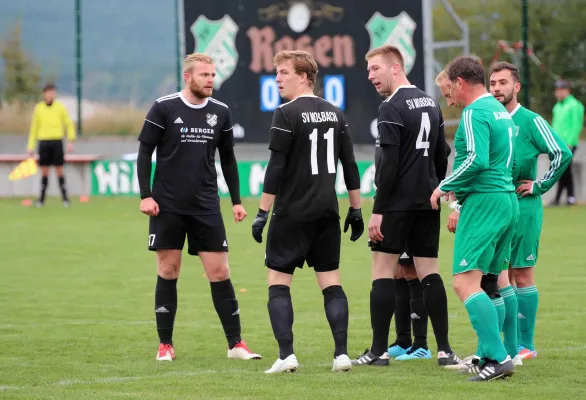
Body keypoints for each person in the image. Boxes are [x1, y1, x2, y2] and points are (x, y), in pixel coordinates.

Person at [136, 53, 261, 362]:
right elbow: (144, 151)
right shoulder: (164, 107)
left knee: (220, 271)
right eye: (204, 75)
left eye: (213, 75)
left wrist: (236, 201)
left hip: (206, 205)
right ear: (188, 77)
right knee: (168, 269)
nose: (210, 80)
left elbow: (228, 159)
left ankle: (236, 345)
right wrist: (146, 195)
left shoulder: (221, 112)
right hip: (167, 206)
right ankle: (165, 345)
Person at [250, 50, 364, 374]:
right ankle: (341, 354)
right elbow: (350, 166)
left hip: (292, 213)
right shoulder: (336, 113)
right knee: (331, 282)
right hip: (328, 213)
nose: (277, 79)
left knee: (278, 282)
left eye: (283, 72)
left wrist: (262, 212)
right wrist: (356, 210)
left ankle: (286, 354)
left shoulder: (285, 113)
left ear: (303, 77)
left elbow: (275, 167)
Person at [352, 45, 459, 368]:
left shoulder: (391, 106)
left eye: (375, 69)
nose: (370, 76)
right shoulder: (430, 102)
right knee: (429, 273)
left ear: (395, 68)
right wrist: (436, 187)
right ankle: (445, 351)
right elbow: (443, 155)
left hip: (396, 205)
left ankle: (377, 352)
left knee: (382, 272)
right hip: (428, 202)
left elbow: (390, 162)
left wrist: (378, 209)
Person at [430, 56, 519, 381]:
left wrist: (445, 187)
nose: (448, 96)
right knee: (488, 282)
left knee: (463, 282)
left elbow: (478, 161)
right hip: (505, 200)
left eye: (449, 88)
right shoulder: (501, 112)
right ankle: (488, 354)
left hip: (486, 204)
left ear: (460, 82)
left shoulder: (474, 112)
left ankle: (497, 358)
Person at [490, 62, 572, 360]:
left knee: (521, 274)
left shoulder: (531, 121)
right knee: (498, 275)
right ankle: (503, 345)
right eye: (493, 83)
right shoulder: (489, 118)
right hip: (495, 207)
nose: (497, 88)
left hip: (524, 207)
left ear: (517, 87)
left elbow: (562, 152)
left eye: (502, 82)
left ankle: (526, 345)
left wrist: (540, 185)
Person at [27, 83, 76, 207]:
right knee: (44, 171)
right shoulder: (39, 108)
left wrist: (71, 140)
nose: (51, 95)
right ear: (44, 93)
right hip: (44, 142)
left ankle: (65, 198)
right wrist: (30, 146)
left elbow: (69, 124)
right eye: (49, 92)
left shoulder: (60, 108)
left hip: (57, 141)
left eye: (53, 92)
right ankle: (41, 199)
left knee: (59, 170)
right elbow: (34, 128)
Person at [551, 79, 583, 206]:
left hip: (568, 144)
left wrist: (569, 143)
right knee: (565, 170)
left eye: (562, 89)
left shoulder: (575, 105)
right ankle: (570, 197)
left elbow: (576, 125)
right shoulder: (557, 106)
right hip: (557, 144)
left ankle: (559, 198)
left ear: (568, 90)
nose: (559, 92)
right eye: (557, 90)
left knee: (562, 169)